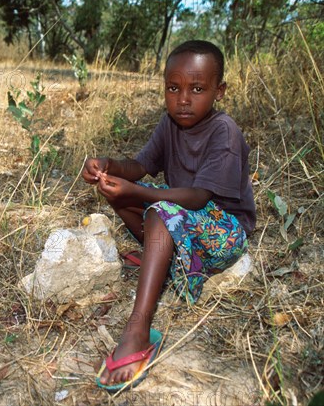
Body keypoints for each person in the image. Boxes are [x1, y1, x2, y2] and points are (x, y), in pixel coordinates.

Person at [83, 40, 256, 391]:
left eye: (197, 89)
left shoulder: (225, 132)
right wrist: (109, 166)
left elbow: (198, 197)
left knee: (156, 208)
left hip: (224, 231)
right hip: (181, 220)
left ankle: (138, 329)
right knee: (122, 194)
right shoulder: (169, 123)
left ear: (219, 91)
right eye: (173, 88)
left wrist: (139, 192)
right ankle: (161, 259)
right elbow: (141, 166)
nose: (183, 100)